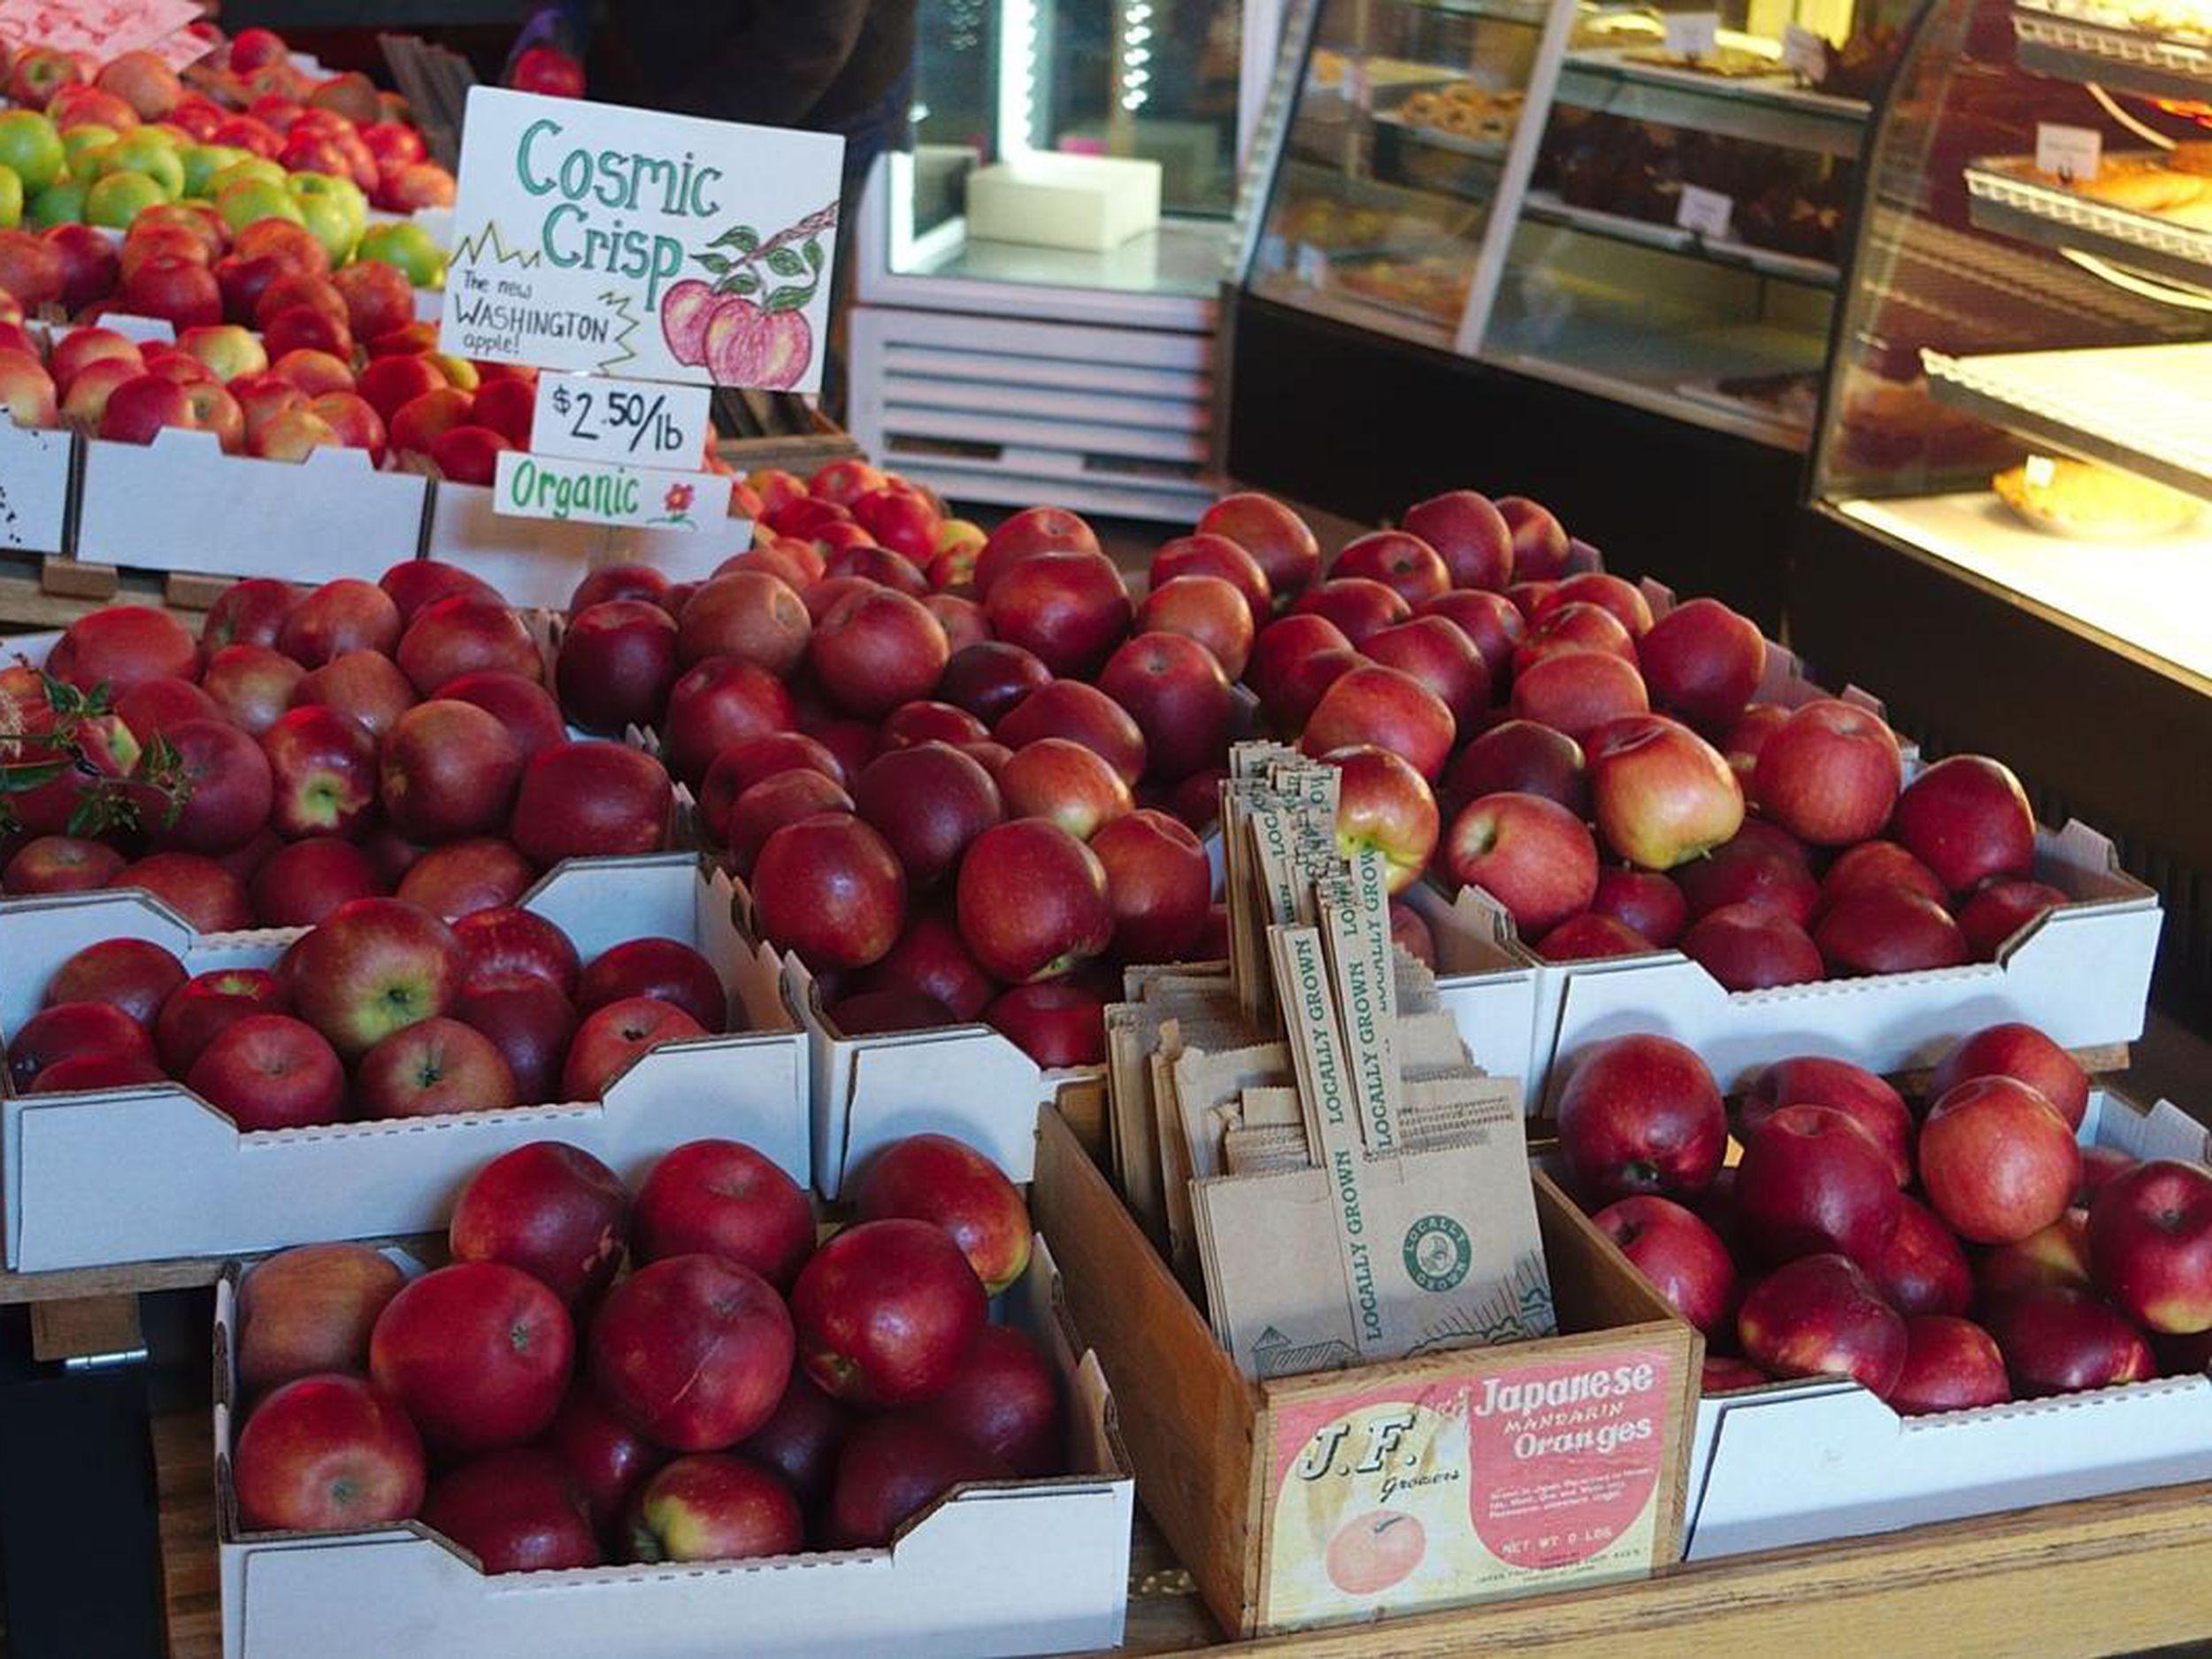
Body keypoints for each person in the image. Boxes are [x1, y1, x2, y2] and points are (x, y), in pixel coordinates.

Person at [516, 2, 918, 416]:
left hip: (816, 93)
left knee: (770, 353)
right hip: (685, 68)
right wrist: (560, 20)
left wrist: (681, 144)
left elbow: (814, 40)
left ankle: (783, 445)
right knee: (659, 321)